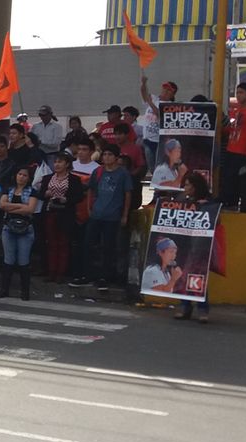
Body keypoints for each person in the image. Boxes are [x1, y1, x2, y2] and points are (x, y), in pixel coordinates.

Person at [70, 144, 132, 291]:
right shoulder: (98, 171)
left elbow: (128, 194)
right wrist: (89, 208)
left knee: (108, 247)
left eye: (110, 155)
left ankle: (104, 277)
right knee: (88, 245)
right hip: (96, 214)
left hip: (112, 216)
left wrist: (124, 215)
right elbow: (91, 190)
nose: (107, 157)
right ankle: (87, 275)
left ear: (116, 157)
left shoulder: (123, 174)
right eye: (104, 154)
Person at [0, 167, 41, 300]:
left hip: (26, 228)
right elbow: (2, 205)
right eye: (19, 174)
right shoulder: (8, 189)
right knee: (8, 259)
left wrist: (11, 207)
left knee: (23, 260)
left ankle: (25, 291)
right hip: (9, 227)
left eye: (25, 175)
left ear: (29, 178)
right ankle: (4, 289)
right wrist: (21, 207)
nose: (21, 177)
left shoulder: (32, 191)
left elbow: (30, 209)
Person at [39, 152, 85, 283]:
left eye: (60, 162)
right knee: (51, 243)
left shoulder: (74, 179)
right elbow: (40, 194)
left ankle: (61, 273)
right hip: (50, 212)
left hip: (65, 214)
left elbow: (79, 196)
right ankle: (51, 271)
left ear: (67, 164)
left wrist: (67, 200)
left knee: (63, 243)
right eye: (55, 162)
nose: (57, 164)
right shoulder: (47, 178)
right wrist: (45, 194)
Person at [175, 173, 212, 323]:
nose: (186, 188)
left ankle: (202, 308)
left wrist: (204, 207)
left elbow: (215, 221)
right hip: (184, 245)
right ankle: (185, 306)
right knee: (183, 276)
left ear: (195, 187)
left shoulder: (209, 202)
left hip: (200, 245)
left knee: (198, 276)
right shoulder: (181, 200)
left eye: (188, 185)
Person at [221, 82, 246, 209]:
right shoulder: (235, 111)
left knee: (237, 180)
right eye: (237, 92)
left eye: (241, 92)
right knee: (228, 178)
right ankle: (229, 202)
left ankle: (234, 203)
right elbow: (231, 129)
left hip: (242, 152)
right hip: (230, 149)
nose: (238, 95)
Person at [140, 78, 178, 166]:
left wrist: (150, 103)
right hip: (148, 138)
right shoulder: (154, 98)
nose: (165, 91)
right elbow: (143, 93)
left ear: (172, 94)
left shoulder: (170, 105)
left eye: (169, 90)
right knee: (151, 164)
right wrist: (143, 83)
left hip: (159, 141)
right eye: (165, 88)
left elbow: (159, 114)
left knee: (159, 164)